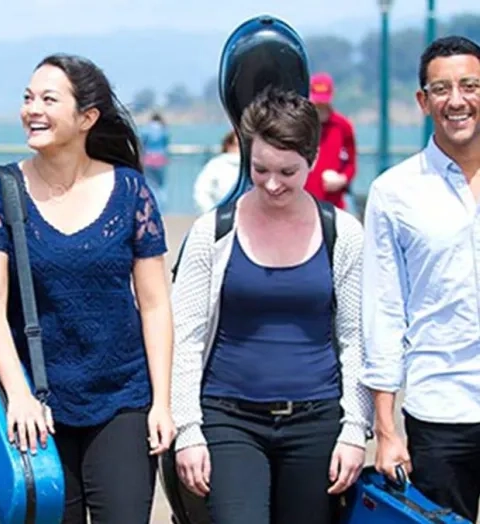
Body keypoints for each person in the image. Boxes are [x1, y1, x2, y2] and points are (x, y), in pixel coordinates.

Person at [0, 53, 176, 523]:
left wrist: (162, 403)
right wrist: (18, 395)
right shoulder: (0, 190)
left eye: (48, 99)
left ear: (87, 118)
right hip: (36, 402)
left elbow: (155, 305)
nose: (32, 109)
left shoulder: (130, 191)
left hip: (122, 396)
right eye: (27, 97)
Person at [171, 86, 372, 524]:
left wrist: (356, 429)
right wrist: (188, 430)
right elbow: (185, 336)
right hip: (229, 416)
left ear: (312, 161)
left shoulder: (345, 235)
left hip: (316, 419)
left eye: (288, 171)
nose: (273, 183)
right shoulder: (213, 232)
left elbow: (357, 339)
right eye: (260, 169)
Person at [361, 35, 480, 521]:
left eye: (470, 85)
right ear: (423, 100)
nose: (457, 100)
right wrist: (387, 430)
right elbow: (383, 312)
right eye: (442, 88)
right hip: (440, 411)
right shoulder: (394, 192)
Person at [304, 72, 357, 211]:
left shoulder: (343, 126)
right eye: (317, 102)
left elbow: (351, 164)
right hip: (304, 200)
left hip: (333, 203)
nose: (320, 106)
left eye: (323, 101)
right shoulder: (301, 125)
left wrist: (342, 180)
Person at [192, 130, 241, 213]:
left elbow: (200, 192)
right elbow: (202, 191)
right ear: (228, 145)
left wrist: (211, 213)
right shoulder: (216, 164)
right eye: (236, 145)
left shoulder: (215, 164)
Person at [140, 112, 170, 210]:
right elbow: (166, 144)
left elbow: (142, 144)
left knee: (151, 185)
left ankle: (152, 207)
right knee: (162, 186)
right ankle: (162, 209)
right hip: (161, 159)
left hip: (148, 159)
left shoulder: (146, 129)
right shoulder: (164, 130)